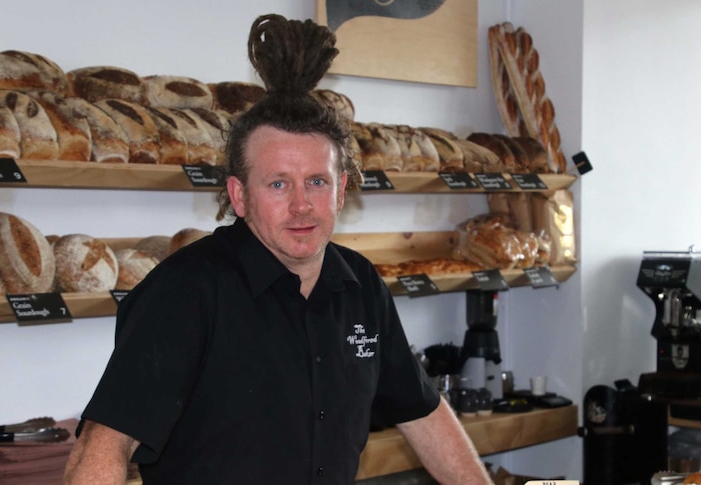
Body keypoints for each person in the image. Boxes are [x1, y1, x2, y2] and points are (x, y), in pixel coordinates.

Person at [64, 13, 492, 485]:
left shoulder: (360, 286)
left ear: (342, 190)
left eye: (316, 181)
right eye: (277, 184)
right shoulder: (185, 292)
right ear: (239, 195)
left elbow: (424, 415)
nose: (301, 205)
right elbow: (101, 448)